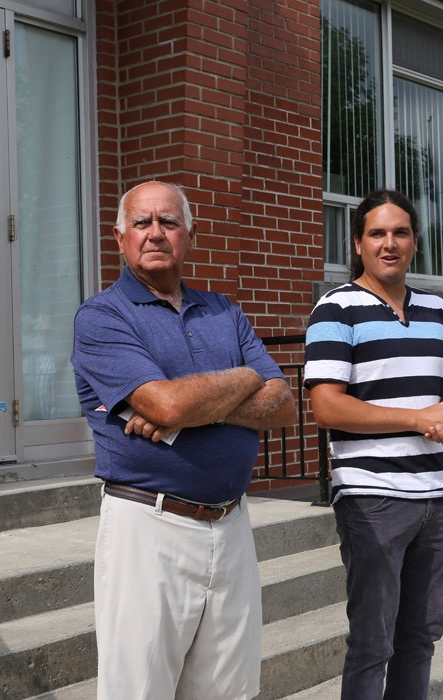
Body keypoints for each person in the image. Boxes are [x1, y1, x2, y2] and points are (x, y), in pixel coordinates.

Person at [71, 180, 295, 699]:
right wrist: (244, 377)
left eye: (168, 222)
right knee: (139, 690)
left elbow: (283, 405)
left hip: (231, 523)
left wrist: (196, 405)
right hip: (149, 527)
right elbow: (166, 407)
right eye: (142, 223)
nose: (155, 233)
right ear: (120, 238)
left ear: (189, 234)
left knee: (230, 689)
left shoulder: (223, 310)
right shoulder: (102, 317)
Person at [303, 189, 443, 699]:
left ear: (415, 242)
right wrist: (418, 419)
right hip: (371, 496)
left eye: (400, 233)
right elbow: (327, 407)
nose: (389, 243)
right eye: (377, 233)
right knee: (373, 643)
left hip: (436, 496)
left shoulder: (435, 309)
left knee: (420, 638)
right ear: (359, 242)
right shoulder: (337, 309)